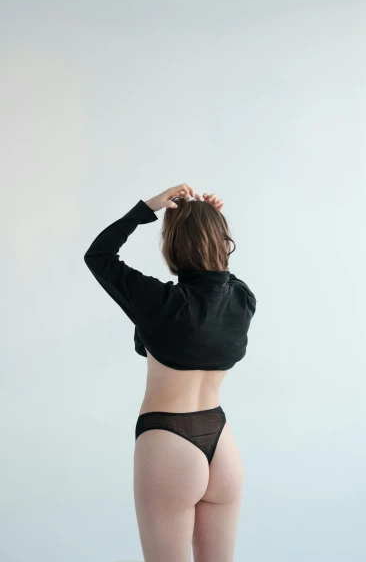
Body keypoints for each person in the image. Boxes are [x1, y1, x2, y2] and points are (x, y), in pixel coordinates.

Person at [83, 183, 256, 562]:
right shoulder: (242, 301)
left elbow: (98, 255)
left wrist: (147, 208)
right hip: (222, 446)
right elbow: (221, 277)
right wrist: (210, 221)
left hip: (168, 444)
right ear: (221, 243)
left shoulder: (159, 303)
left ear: (171, 246)